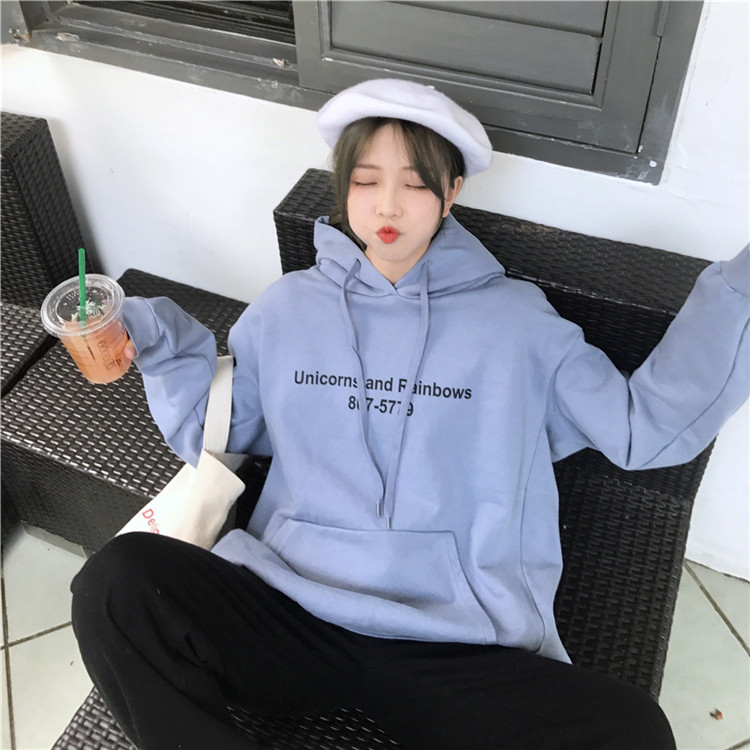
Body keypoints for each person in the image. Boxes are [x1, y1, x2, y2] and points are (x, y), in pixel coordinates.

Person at [71, 78, 750, 750]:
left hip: (453, 646)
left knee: (633, 731)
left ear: (452, 193)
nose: (387, 205)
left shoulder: (519, 326)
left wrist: (738, 292)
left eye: (416, 184)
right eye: (365, 181)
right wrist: (150, 335)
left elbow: (641, 428)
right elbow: (214, 429)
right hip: (289, 610)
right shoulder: (288, 309)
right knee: (114, 585)